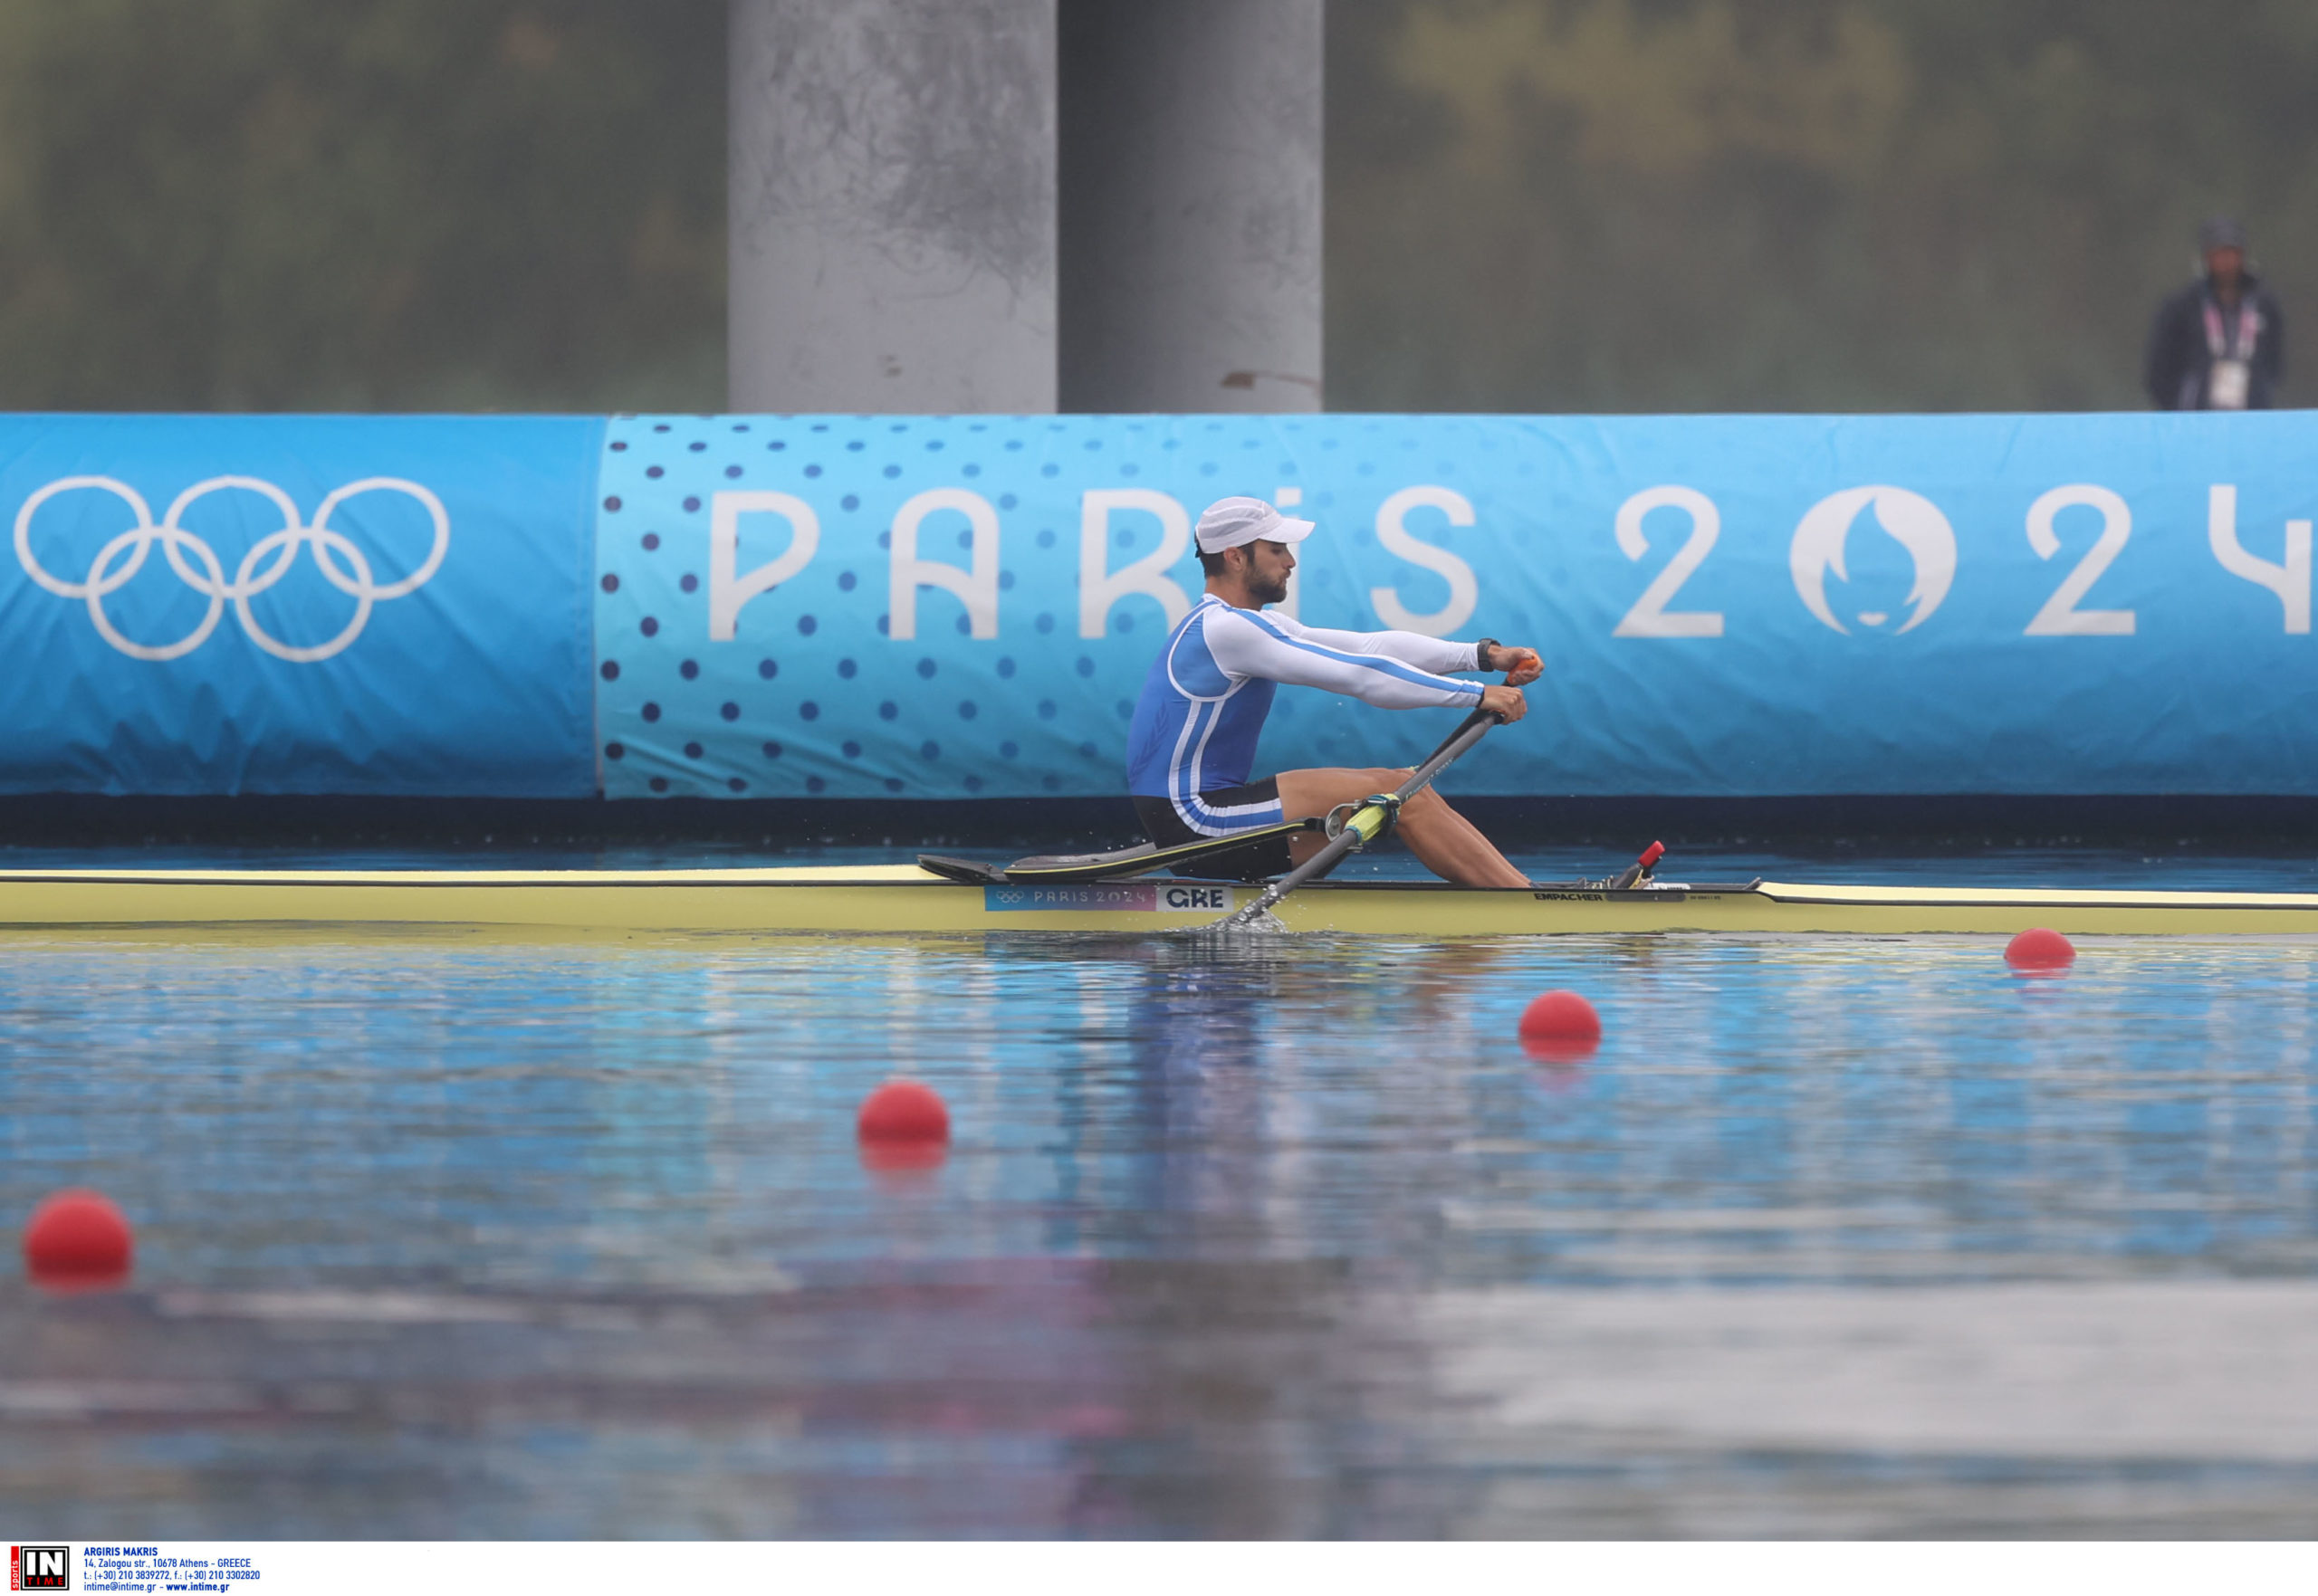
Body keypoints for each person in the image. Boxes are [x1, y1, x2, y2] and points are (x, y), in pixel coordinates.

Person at [1125, 495, 1542, 887]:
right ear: (1235, 556)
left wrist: (1483, 655)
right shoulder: (1227, 629)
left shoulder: (1242, 624)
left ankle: (1524, 893)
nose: (1290, 561)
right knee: (1401, 795)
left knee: (1406, 784)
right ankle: (1532, 905)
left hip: (1200, 815)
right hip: (1196, 821)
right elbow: (1362, 676)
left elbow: (1369, 647)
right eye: (1276, 550)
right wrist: (1477, 695)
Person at [2145, 216, 2285, 411]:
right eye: (2219, 253)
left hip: (2252, 415)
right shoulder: (2181, 306)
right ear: (2206, 257)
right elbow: (2159, 370)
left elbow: (2275, 364)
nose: (2226, 261)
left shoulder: (2264, 305)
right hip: (2197, 415)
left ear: (2242, 255)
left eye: (2232, 252)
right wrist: (2177, 411)